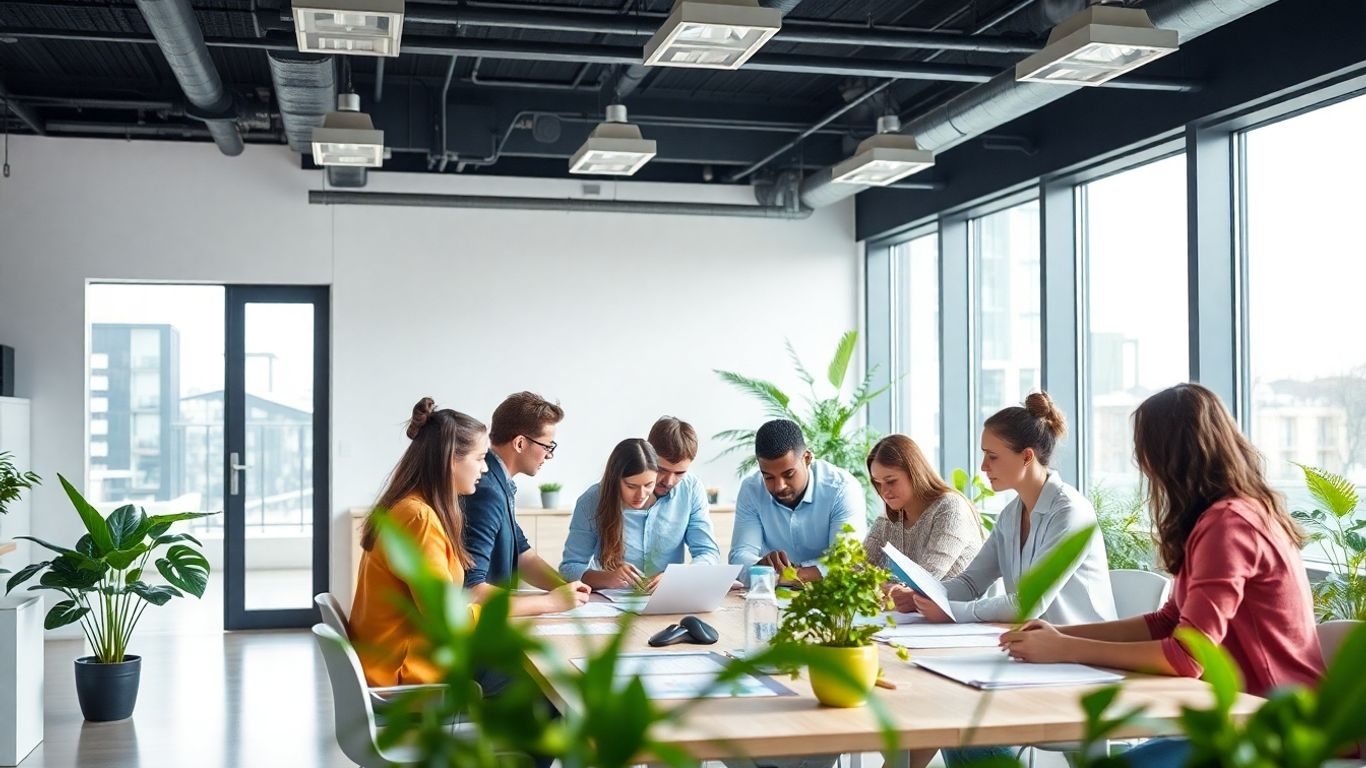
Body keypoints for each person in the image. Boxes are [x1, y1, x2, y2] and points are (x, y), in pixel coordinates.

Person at [1001, 383, 1325, 768]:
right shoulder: (1226, 516)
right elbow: (1167, 622)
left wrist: (1065, 649)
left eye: (1145, 449)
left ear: (1169, 454)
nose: (1142, 463)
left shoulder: (1230, 524)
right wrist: (1058, 635)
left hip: (1272, 731)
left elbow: (1187, 657)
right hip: (1239, 719)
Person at [893, 392, 1116, 768]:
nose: (983, 466)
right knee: (947, 701)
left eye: (993, 456)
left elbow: (1028, 604)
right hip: (1031, 655)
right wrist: (921, 594)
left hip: (1078, 663)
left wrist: (950, 612)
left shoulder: (1069, 512)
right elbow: (969, 583)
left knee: (961, 711)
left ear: (1027, 456)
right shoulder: (1014, 513)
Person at [461, 391, 591, 614]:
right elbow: (471, 590)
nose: (549, 455)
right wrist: (552, 602)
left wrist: (566, 590)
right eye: (548, 446)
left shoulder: (499, 482)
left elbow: (523, 554)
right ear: (520, 443)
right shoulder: (487, 490)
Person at [560, 418, 720, 589]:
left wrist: (680, 577)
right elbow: (570, 568)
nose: (669, 481)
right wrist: (607, 578)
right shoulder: (592, 501)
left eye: (680, 473)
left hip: (667, 599)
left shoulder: (691, 489)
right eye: (662, 470)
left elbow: (708, 553)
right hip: (611, 601)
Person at [729, 418, 866, 584]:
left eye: (789, 475)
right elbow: (739, 556)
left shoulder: (842, 488)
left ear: (807, 458)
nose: (779, 486)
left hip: (828, 596)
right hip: (772, 594)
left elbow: (846, 560)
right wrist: (758, 566)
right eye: (769, 477)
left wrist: (789, 575)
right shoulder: (751, 489)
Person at [863, 434, 984, 580]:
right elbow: (857, 570)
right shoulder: (887, 521)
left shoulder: (950, 508)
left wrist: (877, 588)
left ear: (914, 473)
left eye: (891, 481)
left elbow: (926, 581)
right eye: (878, 482)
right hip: (902, 603)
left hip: (954, 603)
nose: (883, 492)